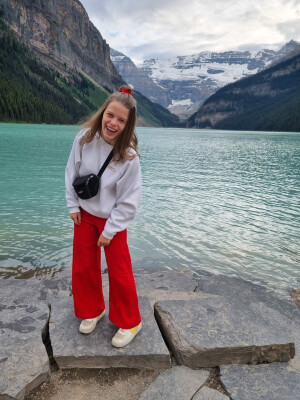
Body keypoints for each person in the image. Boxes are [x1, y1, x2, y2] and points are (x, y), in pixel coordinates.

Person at [65, 85, 142, 348]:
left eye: (122, 120)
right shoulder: (84, 138)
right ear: (103, 112)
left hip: (113, 221)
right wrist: (73, 205)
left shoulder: (129, 157)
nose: (113, 123)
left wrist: (110, 230)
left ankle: (131, 321)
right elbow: (71, 173)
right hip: (85, 214)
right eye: (111, 115)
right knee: (83, 265)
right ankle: (93, 309)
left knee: (120, 272)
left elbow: (129, 201)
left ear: (128, 125)